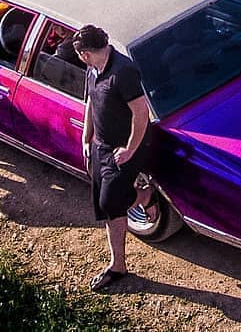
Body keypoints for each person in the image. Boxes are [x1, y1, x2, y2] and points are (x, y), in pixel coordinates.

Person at [74, 24, 158, 292]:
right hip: (101, 146)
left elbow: (141, 113)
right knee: (107, 204)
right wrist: (87, 138)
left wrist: (130, 149)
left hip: (125, 149)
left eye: (79, 55)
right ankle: (118, 264)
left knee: (110, 202)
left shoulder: (123, 72)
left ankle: (145, 197)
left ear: (85, 53)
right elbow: (91, 102)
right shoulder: (93, 69)